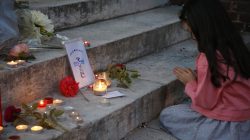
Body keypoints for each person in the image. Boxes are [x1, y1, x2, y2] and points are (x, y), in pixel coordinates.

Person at [159, 0, 250, 139]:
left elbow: (206, 103)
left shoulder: (210, 59)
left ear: (202, 28)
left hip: (228, 124)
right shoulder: (234, 47)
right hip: (246, 119)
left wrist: (190, 83)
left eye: (192, 32)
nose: (193, 37)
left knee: (169, 115)